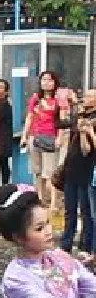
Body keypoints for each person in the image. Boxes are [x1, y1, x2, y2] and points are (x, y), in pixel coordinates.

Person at [21, 70, 68, 212]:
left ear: (55, 83)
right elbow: (29, 117)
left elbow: (63, 120)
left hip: (51, 138)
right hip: (35, 137)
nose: (46, 83)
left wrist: (59, 137)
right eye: (43, 80)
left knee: (50, 172)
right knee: (37, 171)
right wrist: (24, 135)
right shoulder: (35, 98)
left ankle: (53, 202)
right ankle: (40, 199)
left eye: (50, 80)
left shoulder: (59, 99)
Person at [58, 90, 96, 261]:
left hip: (86, 170)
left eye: (89, 96)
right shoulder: (81, 115)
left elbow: (87, 150)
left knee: (86, 211)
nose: (85, 99)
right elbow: (61, 123)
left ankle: (86, 246)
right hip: (71, 169)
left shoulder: (93, 120)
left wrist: (84, 132)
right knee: (69, 210)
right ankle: (65, 244)